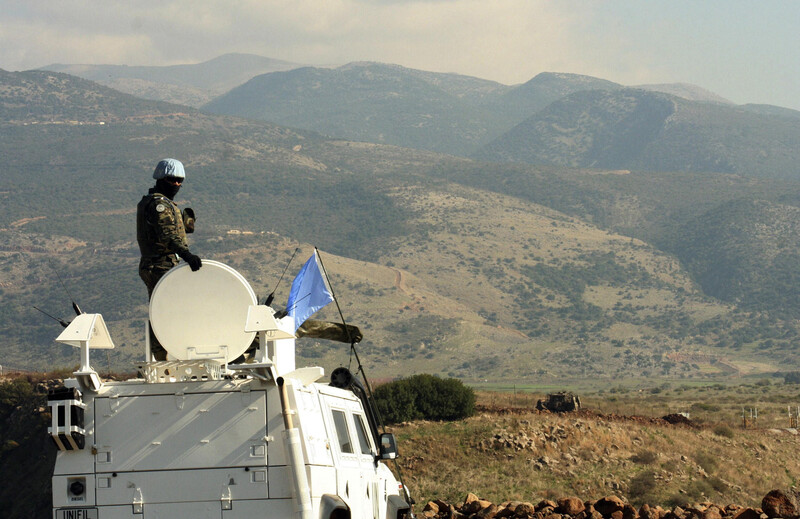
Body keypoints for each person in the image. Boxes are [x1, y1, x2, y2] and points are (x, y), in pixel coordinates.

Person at [136, 158, 202, 359]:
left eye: (180, 181)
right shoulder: (160, 206)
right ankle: (163, 354)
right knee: (165, 311)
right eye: (172, 180)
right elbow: (167, 235)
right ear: (161, 178)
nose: (177, 184)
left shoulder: (152, 201)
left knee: (162, 309)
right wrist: (187, 255)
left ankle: (163, 353)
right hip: (160, 265)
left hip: (156, 265)